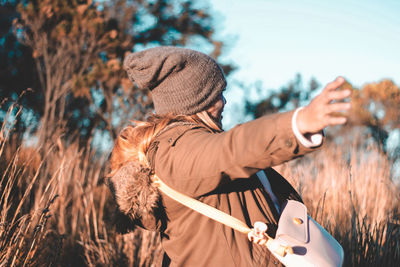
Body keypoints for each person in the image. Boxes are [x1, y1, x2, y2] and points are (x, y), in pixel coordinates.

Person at [108, 46, 351, 266]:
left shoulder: (185, 144)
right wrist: (298, 123)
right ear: (195, 100)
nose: (224, 101)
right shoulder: (179, 151)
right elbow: (234, 149)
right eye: (217, 93)